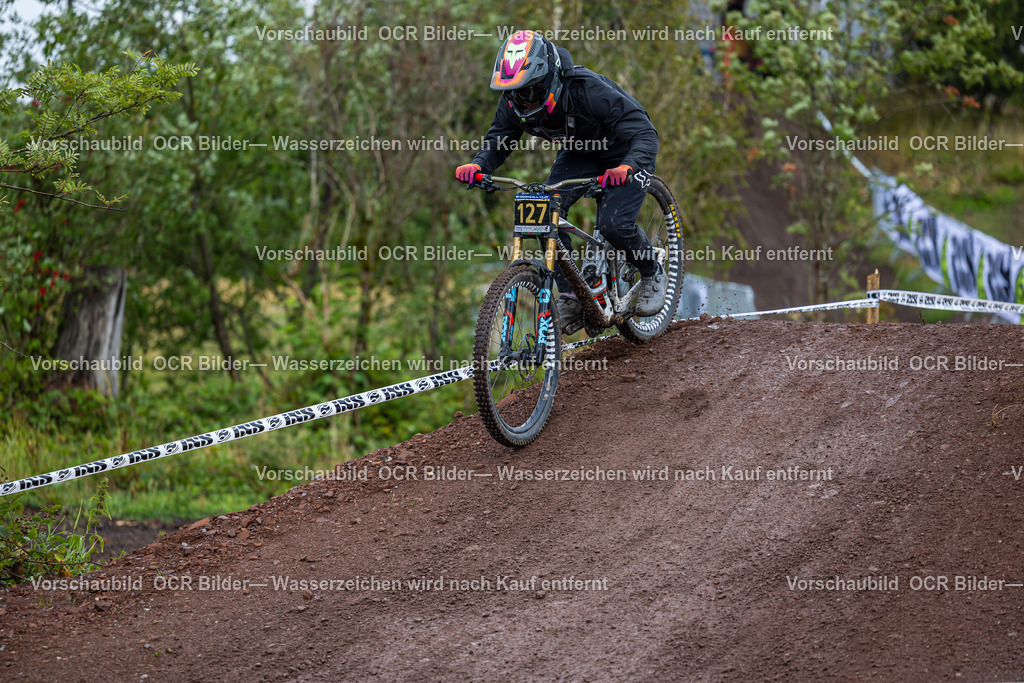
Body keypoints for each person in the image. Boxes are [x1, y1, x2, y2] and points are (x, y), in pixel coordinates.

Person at [455, 30, 666, 330]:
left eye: (529, 92)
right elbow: (499, 138)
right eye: (515, 92)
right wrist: (478, 165)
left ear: (549, 80)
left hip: (625, 152)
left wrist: (628, 167)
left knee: (613, 225)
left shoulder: (587, 90)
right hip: (581, 152)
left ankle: (651, 270)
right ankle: (571, 295)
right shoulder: (514, 100)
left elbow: (644, 132)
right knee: (543, 211)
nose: (522, 102)